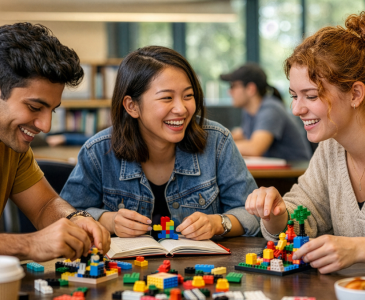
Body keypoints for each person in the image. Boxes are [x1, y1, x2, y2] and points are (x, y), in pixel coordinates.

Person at [61, 46, 260, 241]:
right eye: (167, 98)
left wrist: (218, 223)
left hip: (200, 270)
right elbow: (65, 215)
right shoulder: (98, 151)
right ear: (132, 106)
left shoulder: (217, 141)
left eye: (188, 96)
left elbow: (254, 215)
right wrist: (107, 220)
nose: (181, 109)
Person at [245, 12, 365, 274]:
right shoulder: (331, 149)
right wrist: (276, 213)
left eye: (310, 96)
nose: (296, 109)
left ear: (355, 93)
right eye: (294, 95)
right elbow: (304, 216)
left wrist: (358, 248)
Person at [0, 22, 110, 261]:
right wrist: (29, 244)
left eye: (52, 110)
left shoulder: (12, 146)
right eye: (34, 107)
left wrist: (75, 219)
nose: (45, 126)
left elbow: (45, 205)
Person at [220, 63, 312, 161]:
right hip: (276, 171)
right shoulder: (249, 111)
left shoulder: (270, 109)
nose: (229, 92)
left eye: (233, 86)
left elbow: (254, 149)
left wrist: (218, 147)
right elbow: (242, 134)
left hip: (295, 172)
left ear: (251, 89)